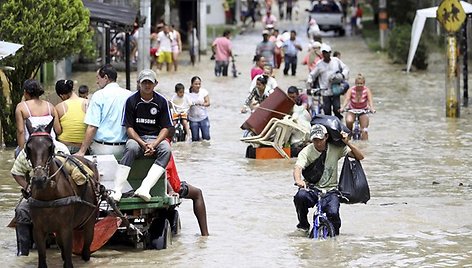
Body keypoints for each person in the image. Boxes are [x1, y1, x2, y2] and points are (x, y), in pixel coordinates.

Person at [293, 124, 364, 235]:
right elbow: (298, 167)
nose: (318, 143)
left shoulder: (336, 148)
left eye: (320, 139)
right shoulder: (306, 152)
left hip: (331, 191)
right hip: (313, 189)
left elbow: (360, 156)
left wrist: (347, 142)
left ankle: (335, 238)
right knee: (300, 197)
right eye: (315, 140)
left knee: (333, 213)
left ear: (326, 137)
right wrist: (298, 180)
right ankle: (303, 225)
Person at [117, 69, 173, 202]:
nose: (147, 85)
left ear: (155, 84)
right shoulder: (131, 101)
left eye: (150, 83)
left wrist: (154, 144)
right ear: (138, 83)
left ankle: (145, 187)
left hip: (156, 138)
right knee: (130, 147)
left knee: (166, 149)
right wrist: (142, 143)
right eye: (144, 82)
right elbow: (129, 128)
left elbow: (166, 127)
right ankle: (117, 189)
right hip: (137, 139)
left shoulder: (162, 101)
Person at [75, 64, 132, 160]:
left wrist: (82, 151)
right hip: (124, 148)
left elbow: (92, 126)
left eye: (98, 78)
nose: (97, 82)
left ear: (105, 77)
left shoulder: (98, 95)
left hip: (102, 149)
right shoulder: (129, 95)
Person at [14, 79, 62, 157]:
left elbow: (20, 131)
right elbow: (58, 130)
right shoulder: (50, 106)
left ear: (25, 92)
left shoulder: (21, 107)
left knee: (16, 163)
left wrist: (21, 150)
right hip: (51, 145)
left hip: (31, 147)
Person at [166, 151, 209, 236]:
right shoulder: (164, 147)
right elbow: (164, 172)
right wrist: (171, 190)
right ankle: (205, 234)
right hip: (172, 187)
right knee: (198, 193)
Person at [306, 43, 349, 120]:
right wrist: (309, 83)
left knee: (337, 109)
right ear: (322, 54)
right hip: (325, 91)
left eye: (328, 52)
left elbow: (346, 68)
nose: (326, 55)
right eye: (324, 53)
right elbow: (312, 75)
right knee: (327, 111)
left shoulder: (336, 61)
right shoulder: (319, 64)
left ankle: (339, 123)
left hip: (335, 89)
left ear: (330, 53)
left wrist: (342, 75)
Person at [55, 79, 89, 154]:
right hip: (83, 148)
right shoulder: (87, 103)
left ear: (62, 95)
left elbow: (58, 131)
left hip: (65, 147)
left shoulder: (59, 107)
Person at [340, 73, 375, 140]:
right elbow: (347, 99)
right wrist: (342, 108)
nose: (359, 85)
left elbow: (370, 101)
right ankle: (349, 138)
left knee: (364, 130)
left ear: (364, 83)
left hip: (363, 110)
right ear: (355, 83)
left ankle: (364, 146)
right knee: (349, 121)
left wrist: (372, 109)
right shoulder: (351, 90)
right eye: (358, 84)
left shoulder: (367, 90)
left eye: (361, 84)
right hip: (352, 110)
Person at [188, 76, 211, 142]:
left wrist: (201, 104)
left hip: (203, 118)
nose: (198, 86)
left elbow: (208, 103)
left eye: (199, 84)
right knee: (195, 140)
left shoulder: (204, 91)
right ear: (192, 84)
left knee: (206, 138)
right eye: (196, 84)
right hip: (193, 119)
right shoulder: (187, 93)